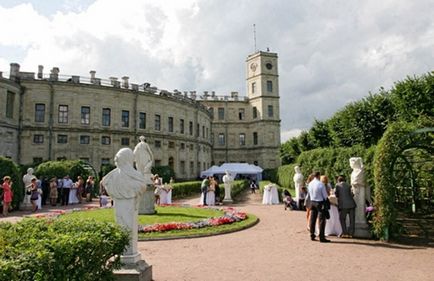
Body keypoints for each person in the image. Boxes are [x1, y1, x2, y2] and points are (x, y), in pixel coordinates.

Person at [308, 171, 330, 243]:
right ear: (318, 176)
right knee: (321, 220)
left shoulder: (310, 184)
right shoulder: (320, 184)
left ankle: (312, 234)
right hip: (319, 202)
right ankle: (321, 237)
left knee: (312, 219)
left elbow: (309, 193)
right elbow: (325, 196)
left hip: (312, 201)